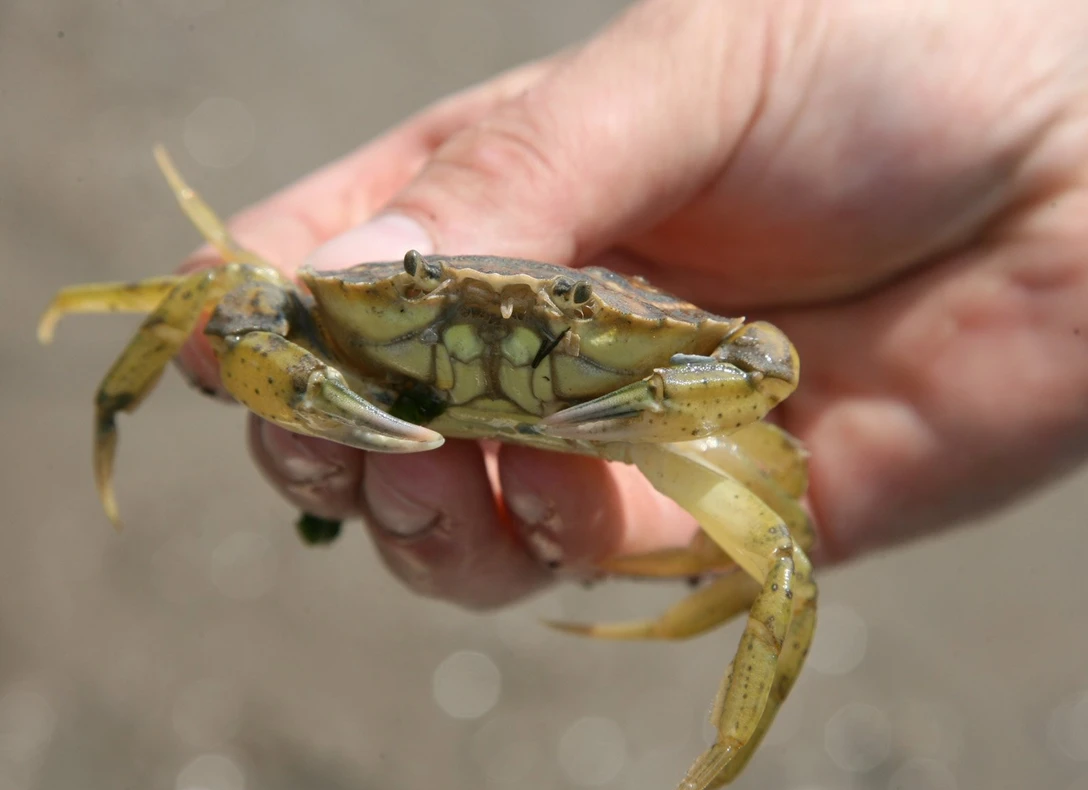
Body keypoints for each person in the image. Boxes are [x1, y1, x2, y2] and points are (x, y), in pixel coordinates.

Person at [176, 0, 1088, 609]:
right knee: (220, 288)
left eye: (571, 310)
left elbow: (765, 366)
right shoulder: (323, 319)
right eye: (421, 286)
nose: (497, 336)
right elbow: (243, 310)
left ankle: (702, 779)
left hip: (633, 410)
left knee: (777, 561)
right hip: (385, 382)